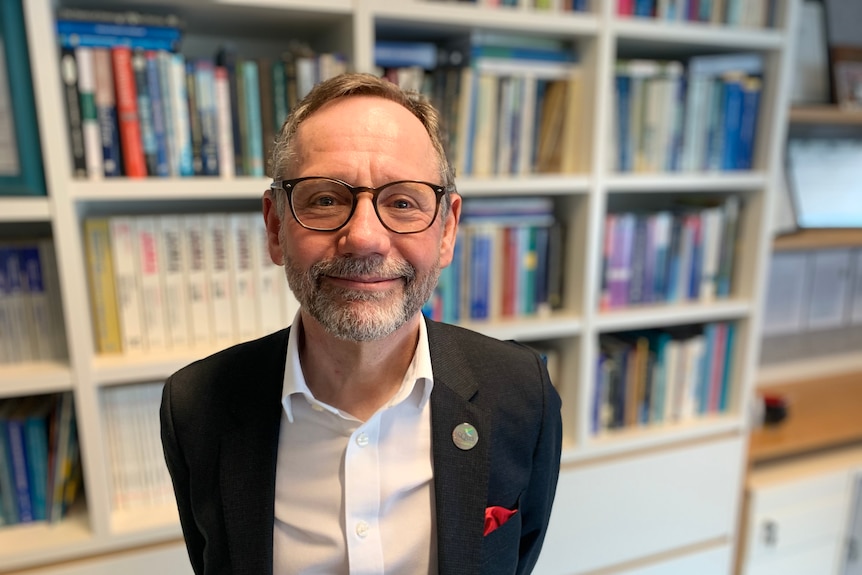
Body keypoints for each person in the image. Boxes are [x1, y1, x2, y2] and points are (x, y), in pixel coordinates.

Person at [161, 72, 563, 575]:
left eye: (402, 201)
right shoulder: (196, 406)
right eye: (325, 199)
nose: (365, 238)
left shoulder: (523, 394)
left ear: (446, 230)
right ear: (275, 227)